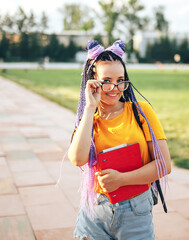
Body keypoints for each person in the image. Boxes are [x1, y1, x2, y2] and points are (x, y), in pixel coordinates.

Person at [68, 40, 172, 240]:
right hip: (95, 212)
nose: (115, 88)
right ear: (93, 81)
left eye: (120, 80)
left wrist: (121, 180)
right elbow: (77, 159)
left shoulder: (141, 112)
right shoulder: (88, 119)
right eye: (106, 80)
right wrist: (90, 107)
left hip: (136, 210)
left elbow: (163, 165)